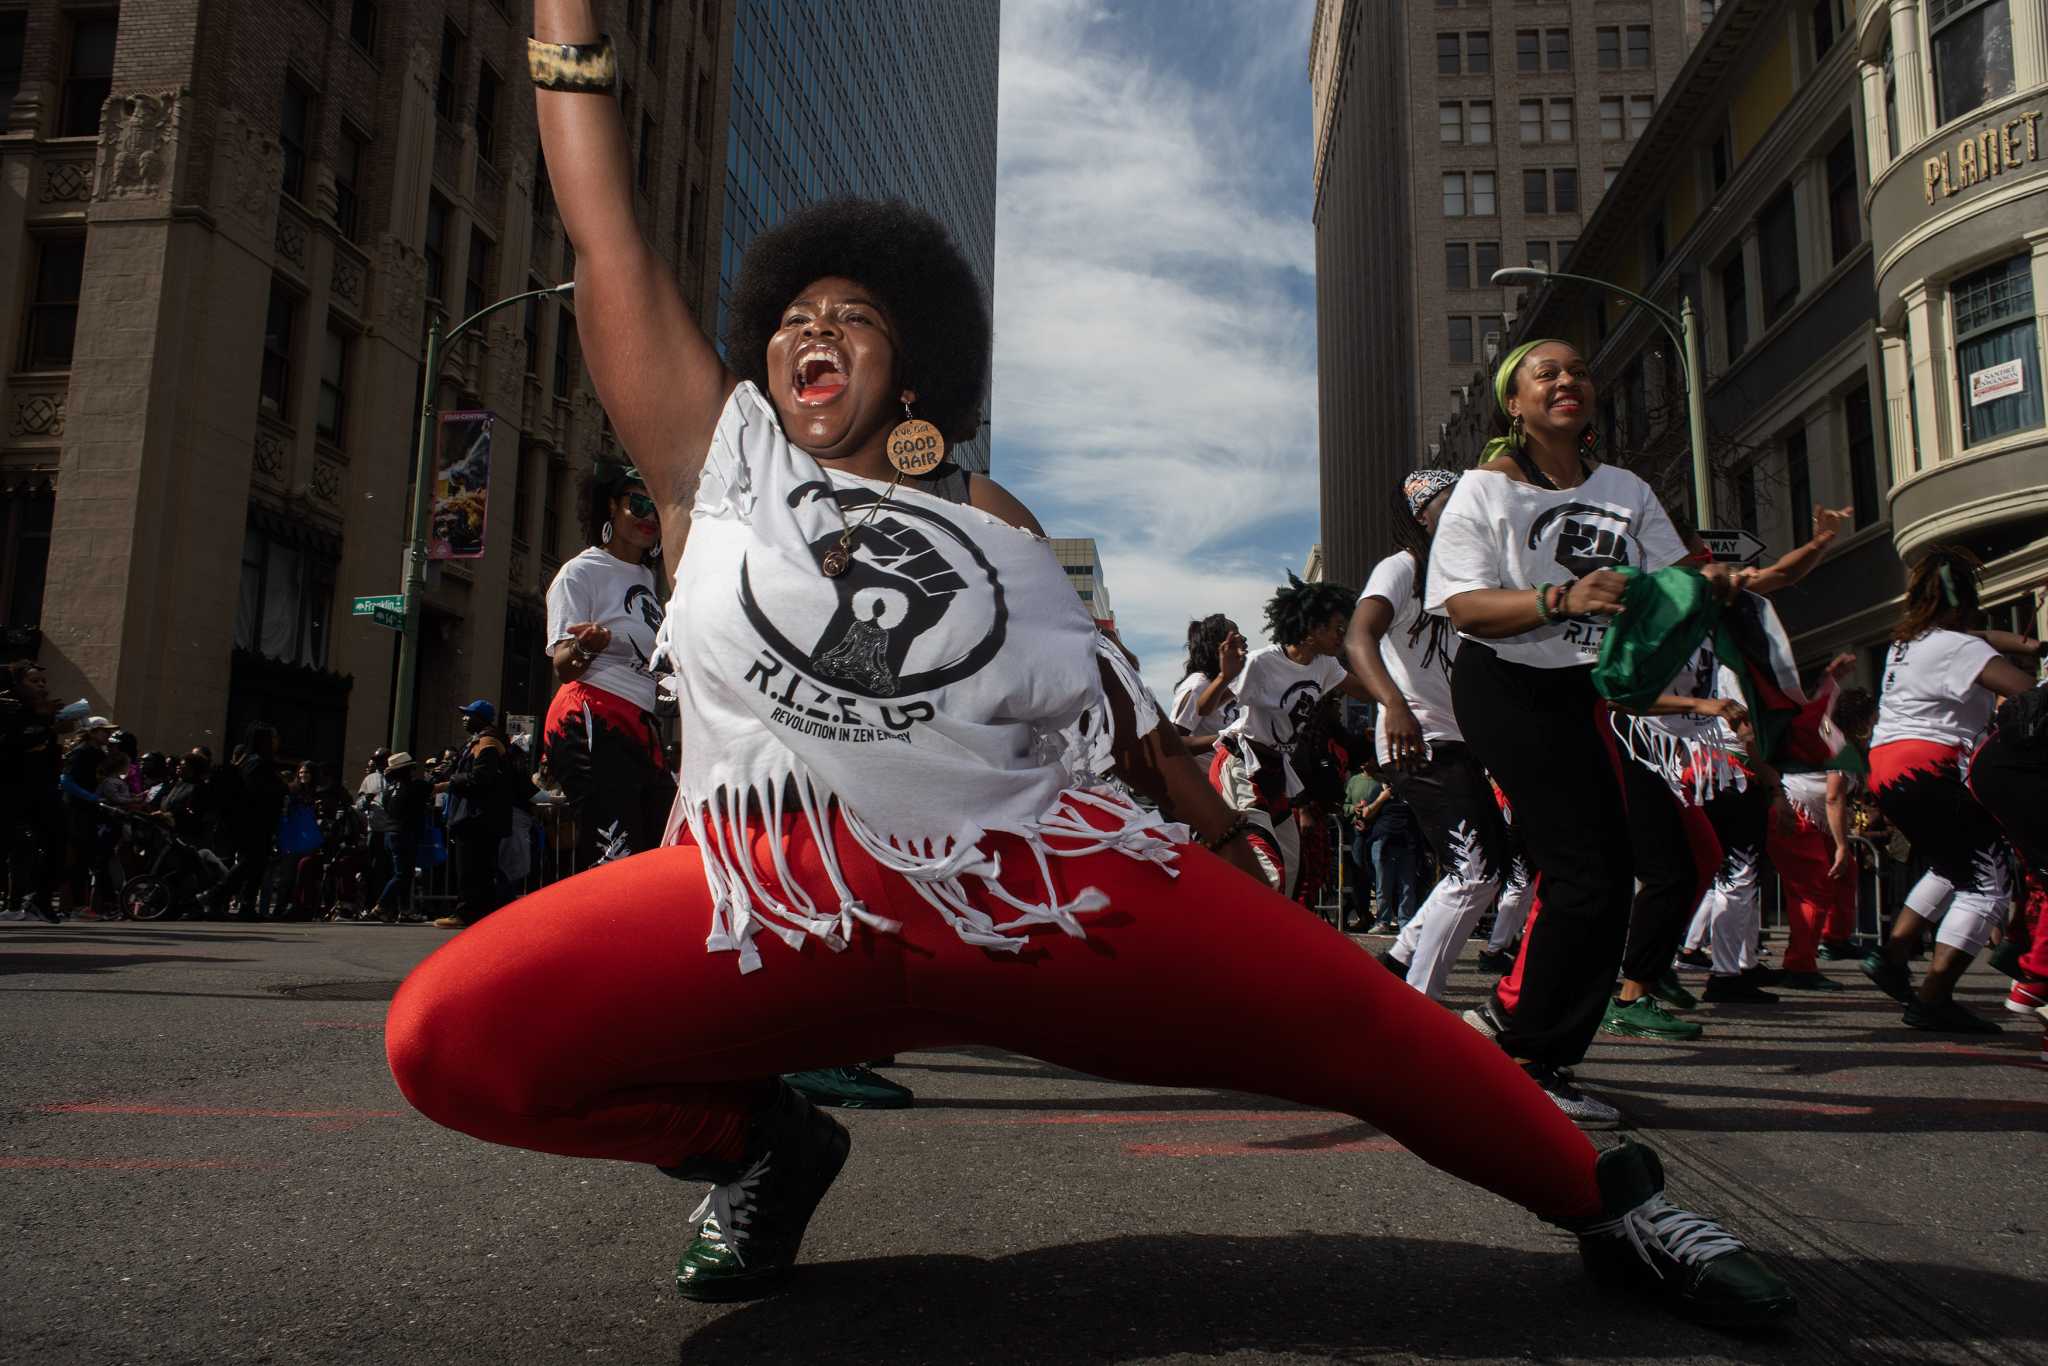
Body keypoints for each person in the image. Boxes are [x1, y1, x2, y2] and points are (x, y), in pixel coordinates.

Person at [386, 21, 1792, 1329]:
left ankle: (1615, 1201)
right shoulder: (719, 473)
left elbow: (1118, 720)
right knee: (449, 1037)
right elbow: (607, 232)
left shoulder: (997, 526)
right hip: (770, 893)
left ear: (919, 369)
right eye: (794, 312)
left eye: (856, 315)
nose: (816, 328)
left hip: (1024, 880)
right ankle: (762, 1142)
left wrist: (1223, 836)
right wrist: (567, 30)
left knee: (1357, 1020)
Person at [1426, 338, 1733, 1126]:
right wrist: (1561, 600)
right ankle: (1529, 1055)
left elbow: (1680, 577)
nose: (1569, 381)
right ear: (1516, 405)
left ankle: (1517, 1033)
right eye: (1547, 374)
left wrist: (1753, 577)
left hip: (1587, 691)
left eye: (1580, 370)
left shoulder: (1626, 488)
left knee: (1607, 872)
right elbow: (1463, 607)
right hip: (1507, 685)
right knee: (1585, 874)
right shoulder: (1482, 493)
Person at [1346, 468, 1517, 999]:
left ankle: (1399, 960)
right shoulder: (1401, 568)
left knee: (1489, 866)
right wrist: (1393, 704)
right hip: (1415, 741)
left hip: (1462, 743)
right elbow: (1358, 637)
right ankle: (1418, 1001)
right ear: (1423, 515)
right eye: (1452, 501)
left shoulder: (1468, 575)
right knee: (1477, 871)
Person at [1862, 550, 2042, 1032]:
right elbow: (2029, 693)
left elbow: (1983, 640)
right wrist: (2030, 667)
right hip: (1933, 768)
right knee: (1989, 882)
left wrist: (2033, 644)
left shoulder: (1910, 643)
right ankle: (1933, 997)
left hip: (1888, 769)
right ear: (1967, 599)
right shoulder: (1962, 649)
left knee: (1952, 864)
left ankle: (1894, 954)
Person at [543, 462, 676, 871]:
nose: (649, 517)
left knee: (656, 845)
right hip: (591, 716)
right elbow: (563, 665)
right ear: (612, 507)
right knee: (614, 854)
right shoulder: (580, 573)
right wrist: (585, 644)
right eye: (638, 503)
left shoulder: (648, 580)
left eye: (656, 507)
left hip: (639, 725)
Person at [1213, 574, 1367, 895]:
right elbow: (1211, 705)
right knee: (1268, 867)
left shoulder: (1324, 665)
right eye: (1338, 628)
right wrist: (1225, 676)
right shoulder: (1262, 663)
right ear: (1313, 628)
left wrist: (1403, 696)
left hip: (1276, 773)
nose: (1342, 635)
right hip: (1244, 765)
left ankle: (1267, 935)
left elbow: (1363, 689)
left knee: (1292, 865)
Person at [1768, 686, 1876, 989]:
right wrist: (1842, 845)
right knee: (1813, 890)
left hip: (1810, 815)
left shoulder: (1832, 732)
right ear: (1861, 720)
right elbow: (1833, 797)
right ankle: (1799, 966)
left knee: (1845, 872)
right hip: (1797, 815)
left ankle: (1834, 939)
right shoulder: (1838, 742)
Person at [0, 661, 67, 922]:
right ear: (17, 684)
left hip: (42, 788)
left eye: (43, 681)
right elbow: (14, 743)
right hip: (10, 788)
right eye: (34, 681)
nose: (41, 686)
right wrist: (47, 727)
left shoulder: (44, 712)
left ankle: (40, 899)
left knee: (57, 841)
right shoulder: (8, 707)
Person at [438, 701, 514, 929]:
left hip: (477, 818)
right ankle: (484, 915)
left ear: (480, 718)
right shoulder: (481, 741)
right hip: (478, 817)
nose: (464, 719)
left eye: (468, 715)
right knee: (480, 869)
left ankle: (467, 913)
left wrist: (450, 782)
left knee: (472, 870)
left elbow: (480, 778)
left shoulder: (487, 742)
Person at [1170, 615, 1246, 753]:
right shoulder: (1197, 685)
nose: (1244, 639)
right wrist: (1228, 738)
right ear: (1219, 646)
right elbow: (1173, 744)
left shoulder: (1234, 683)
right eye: (1235, 636)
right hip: (1203, 774)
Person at [374, 752, 432, 923]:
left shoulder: (388, 791)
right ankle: (381, 906)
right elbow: (433, 788)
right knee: (402, 875)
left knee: (404, 874)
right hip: (406, 834)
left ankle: (405, 910)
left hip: (390, 834)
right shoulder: (415, 786)